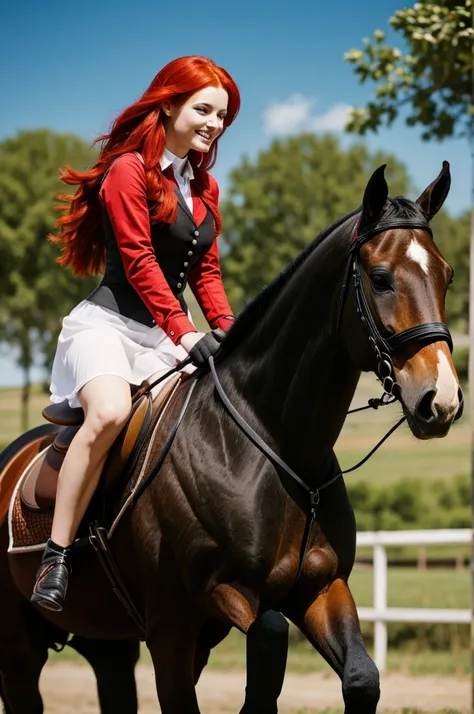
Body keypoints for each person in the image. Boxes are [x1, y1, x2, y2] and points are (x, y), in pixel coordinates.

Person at [30, 55, 240, 612]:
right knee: (109, 414)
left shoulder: (204, 185)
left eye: (221, 115)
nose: (214, 124)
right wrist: (185, 331)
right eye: (203, 109)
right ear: (168, 103)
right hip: (108, 328)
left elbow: (206, 271)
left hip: (163, 335)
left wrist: (228, 328)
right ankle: (56, 554)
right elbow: (140, 259)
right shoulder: (127, 171)